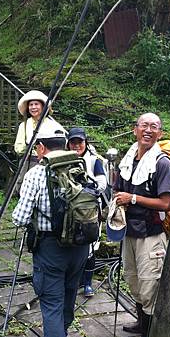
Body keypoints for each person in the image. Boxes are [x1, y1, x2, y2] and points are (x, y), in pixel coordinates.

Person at [12, 127, 89, 337]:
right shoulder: (80, 168)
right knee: (68, 297)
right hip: (80, 247)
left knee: (51, 305)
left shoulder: (37, 174)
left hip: (50, 250)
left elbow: (20, 217)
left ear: (41, 148)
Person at [114, 113, 170, 337]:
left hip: (150, 235)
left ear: (159, 134)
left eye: (154, 127)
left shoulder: (162, 163)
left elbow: (165, 204)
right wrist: (119, 199)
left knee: (149, 286)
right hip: (130, 231)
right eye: (144, 126)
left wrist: (134, 198)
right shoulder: (129, 159)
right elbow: (118, 188)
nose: (148, 130)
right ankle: (141, 325)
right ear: (135, 130)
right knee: (134, 280)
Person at [67, 127, 107, 297]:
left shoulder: (93, 161)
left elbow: (102, 183)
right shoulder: (63, 160)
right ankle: (73, 281)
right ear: (68, 144)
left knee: (90, 244)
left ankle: (88, 283)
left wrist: (86, 190)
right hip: (70, 211)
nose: (76, 146)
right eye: (73, 142)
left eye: (80, 142)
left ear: (85, 143)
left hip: (89, 211)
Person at [14, 90, 64, 189]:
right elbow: (18, 147)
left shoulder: (52, 124)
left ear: (42, 106)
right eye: (31, 105)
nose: (33, 107)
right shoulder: (24, 125)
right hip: (29, 162)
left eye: (36, 104)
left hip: (49, 162)